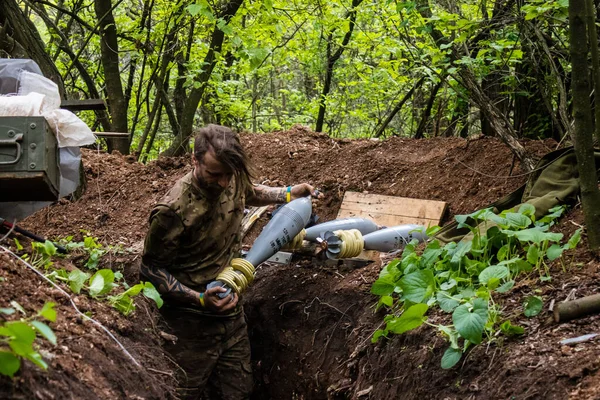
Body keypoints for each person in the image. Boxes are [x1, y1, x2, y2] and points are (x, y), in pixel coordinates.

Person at [140, 124, 321, 399]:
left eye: (228, 175)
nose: (223, 183)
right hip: (188, 327)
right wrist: (199, 298)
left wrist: (287, 193)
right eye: (214, 174)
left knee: (239, 392)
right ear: (195, 160)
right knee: (181, 393)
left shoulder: (230, 177)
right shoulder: (173, 211)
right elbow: (150, 270)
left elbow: (248, 191)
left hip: (232, 318)